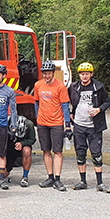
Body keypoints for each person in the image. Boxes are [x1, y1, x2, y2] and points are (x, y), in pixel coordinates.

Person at [68, 62, 110, 193]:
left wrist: (99, 109)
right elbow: (68, 101)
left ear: (91, 74)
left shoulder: (98, 87)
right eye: (82, 74)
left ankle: (100, 183)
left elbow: (107, 102)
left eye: (87, 74)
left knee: (96, 154)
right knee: (80, 153)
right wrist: (70, 113)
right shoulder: (73, 87)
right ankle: (83, 181)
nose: (84, 76)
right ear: (79, 75)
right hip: (79, 125)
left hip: (94, 126)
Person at [34, 60, 72, 192]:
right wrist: (37, 117)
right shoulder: (38, 85)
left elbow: (65, 107)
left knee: (58, 151)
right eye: (44, 74)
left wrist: (67, 126)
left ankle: (57, 178)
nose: (47, 76)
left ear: (53, 73)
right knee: (45, 150)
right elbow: (36, 102)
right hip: (42, 123)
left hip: (56, 123)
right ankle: (50, 177)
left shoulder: (60, 86)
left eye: (49, 73)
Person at [5, 115, 36, 187]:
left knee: (27, 150)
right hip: (10, 146)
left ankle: (25, 177)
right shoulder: (7, 123)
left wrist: (22, 144)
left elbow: (32, 139)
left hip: (23, 145)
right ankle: (5, 174)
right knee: (3, 174)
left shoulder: (30, 125)